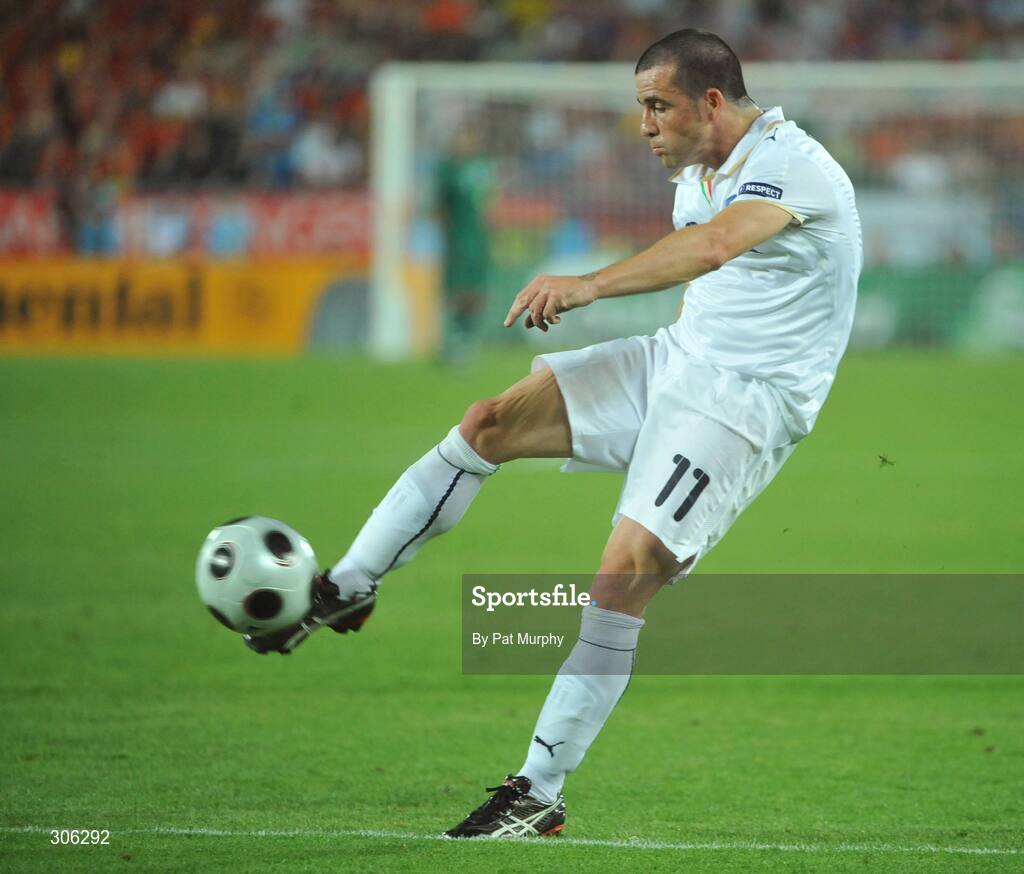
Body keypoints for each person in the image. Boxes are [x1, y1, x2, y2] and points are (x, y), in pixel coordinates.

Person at [245, 28, 862, 838]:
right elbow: (705, 284)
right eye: (641, 106)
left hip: (744, 402)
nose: (645, 125)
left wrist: (590, 286)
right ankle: (346, 588)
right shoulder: (698, 172)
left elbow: (714, 248)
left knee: (621, 576)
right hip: (676, 363)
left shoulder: (794, 164)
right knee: (487, 424)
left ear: (712, 101)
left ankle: (537, 791)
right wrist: (654, 379)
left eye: (658, 106)